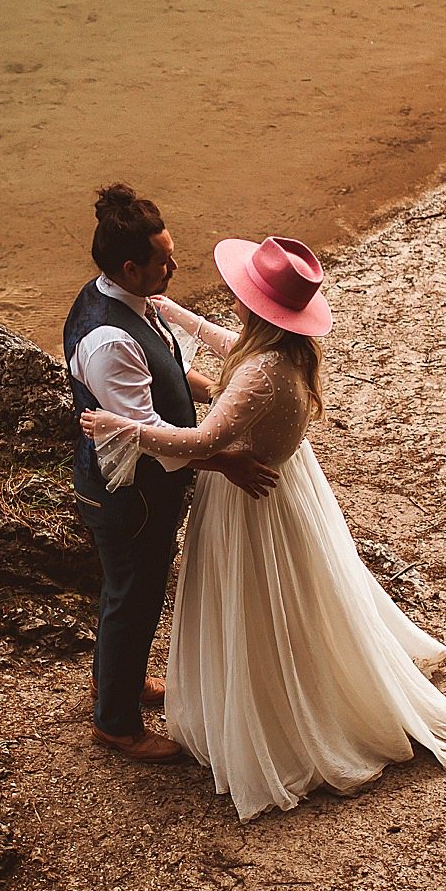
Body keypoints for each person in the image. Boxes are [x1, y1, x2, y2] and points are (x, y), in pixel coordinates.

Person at [80, 234, 446, 819]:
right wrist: (171, 312)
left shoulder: (261, 371)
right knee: (290, 602)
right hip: (285, 488)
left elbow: (205, 440)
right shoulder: (283, 350)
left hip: (247, 504)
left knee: (254, 606)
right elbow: (226, 344)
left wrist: (123, 428)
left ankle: (269, 715)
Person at [63, 185, 280, 763]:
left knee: (135, 591)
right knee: (132, 595)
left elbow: (164, 377)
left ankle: (122, 682)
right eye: (163, 260)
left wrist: (210, 388)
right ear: (130, 268)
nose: (175, 266)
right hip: (128, 492)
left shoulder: (129, 302)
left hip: (143, 485)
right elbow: (149, 441)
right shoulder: (109, 341)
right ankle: (116, 724)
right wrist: (224, 460)